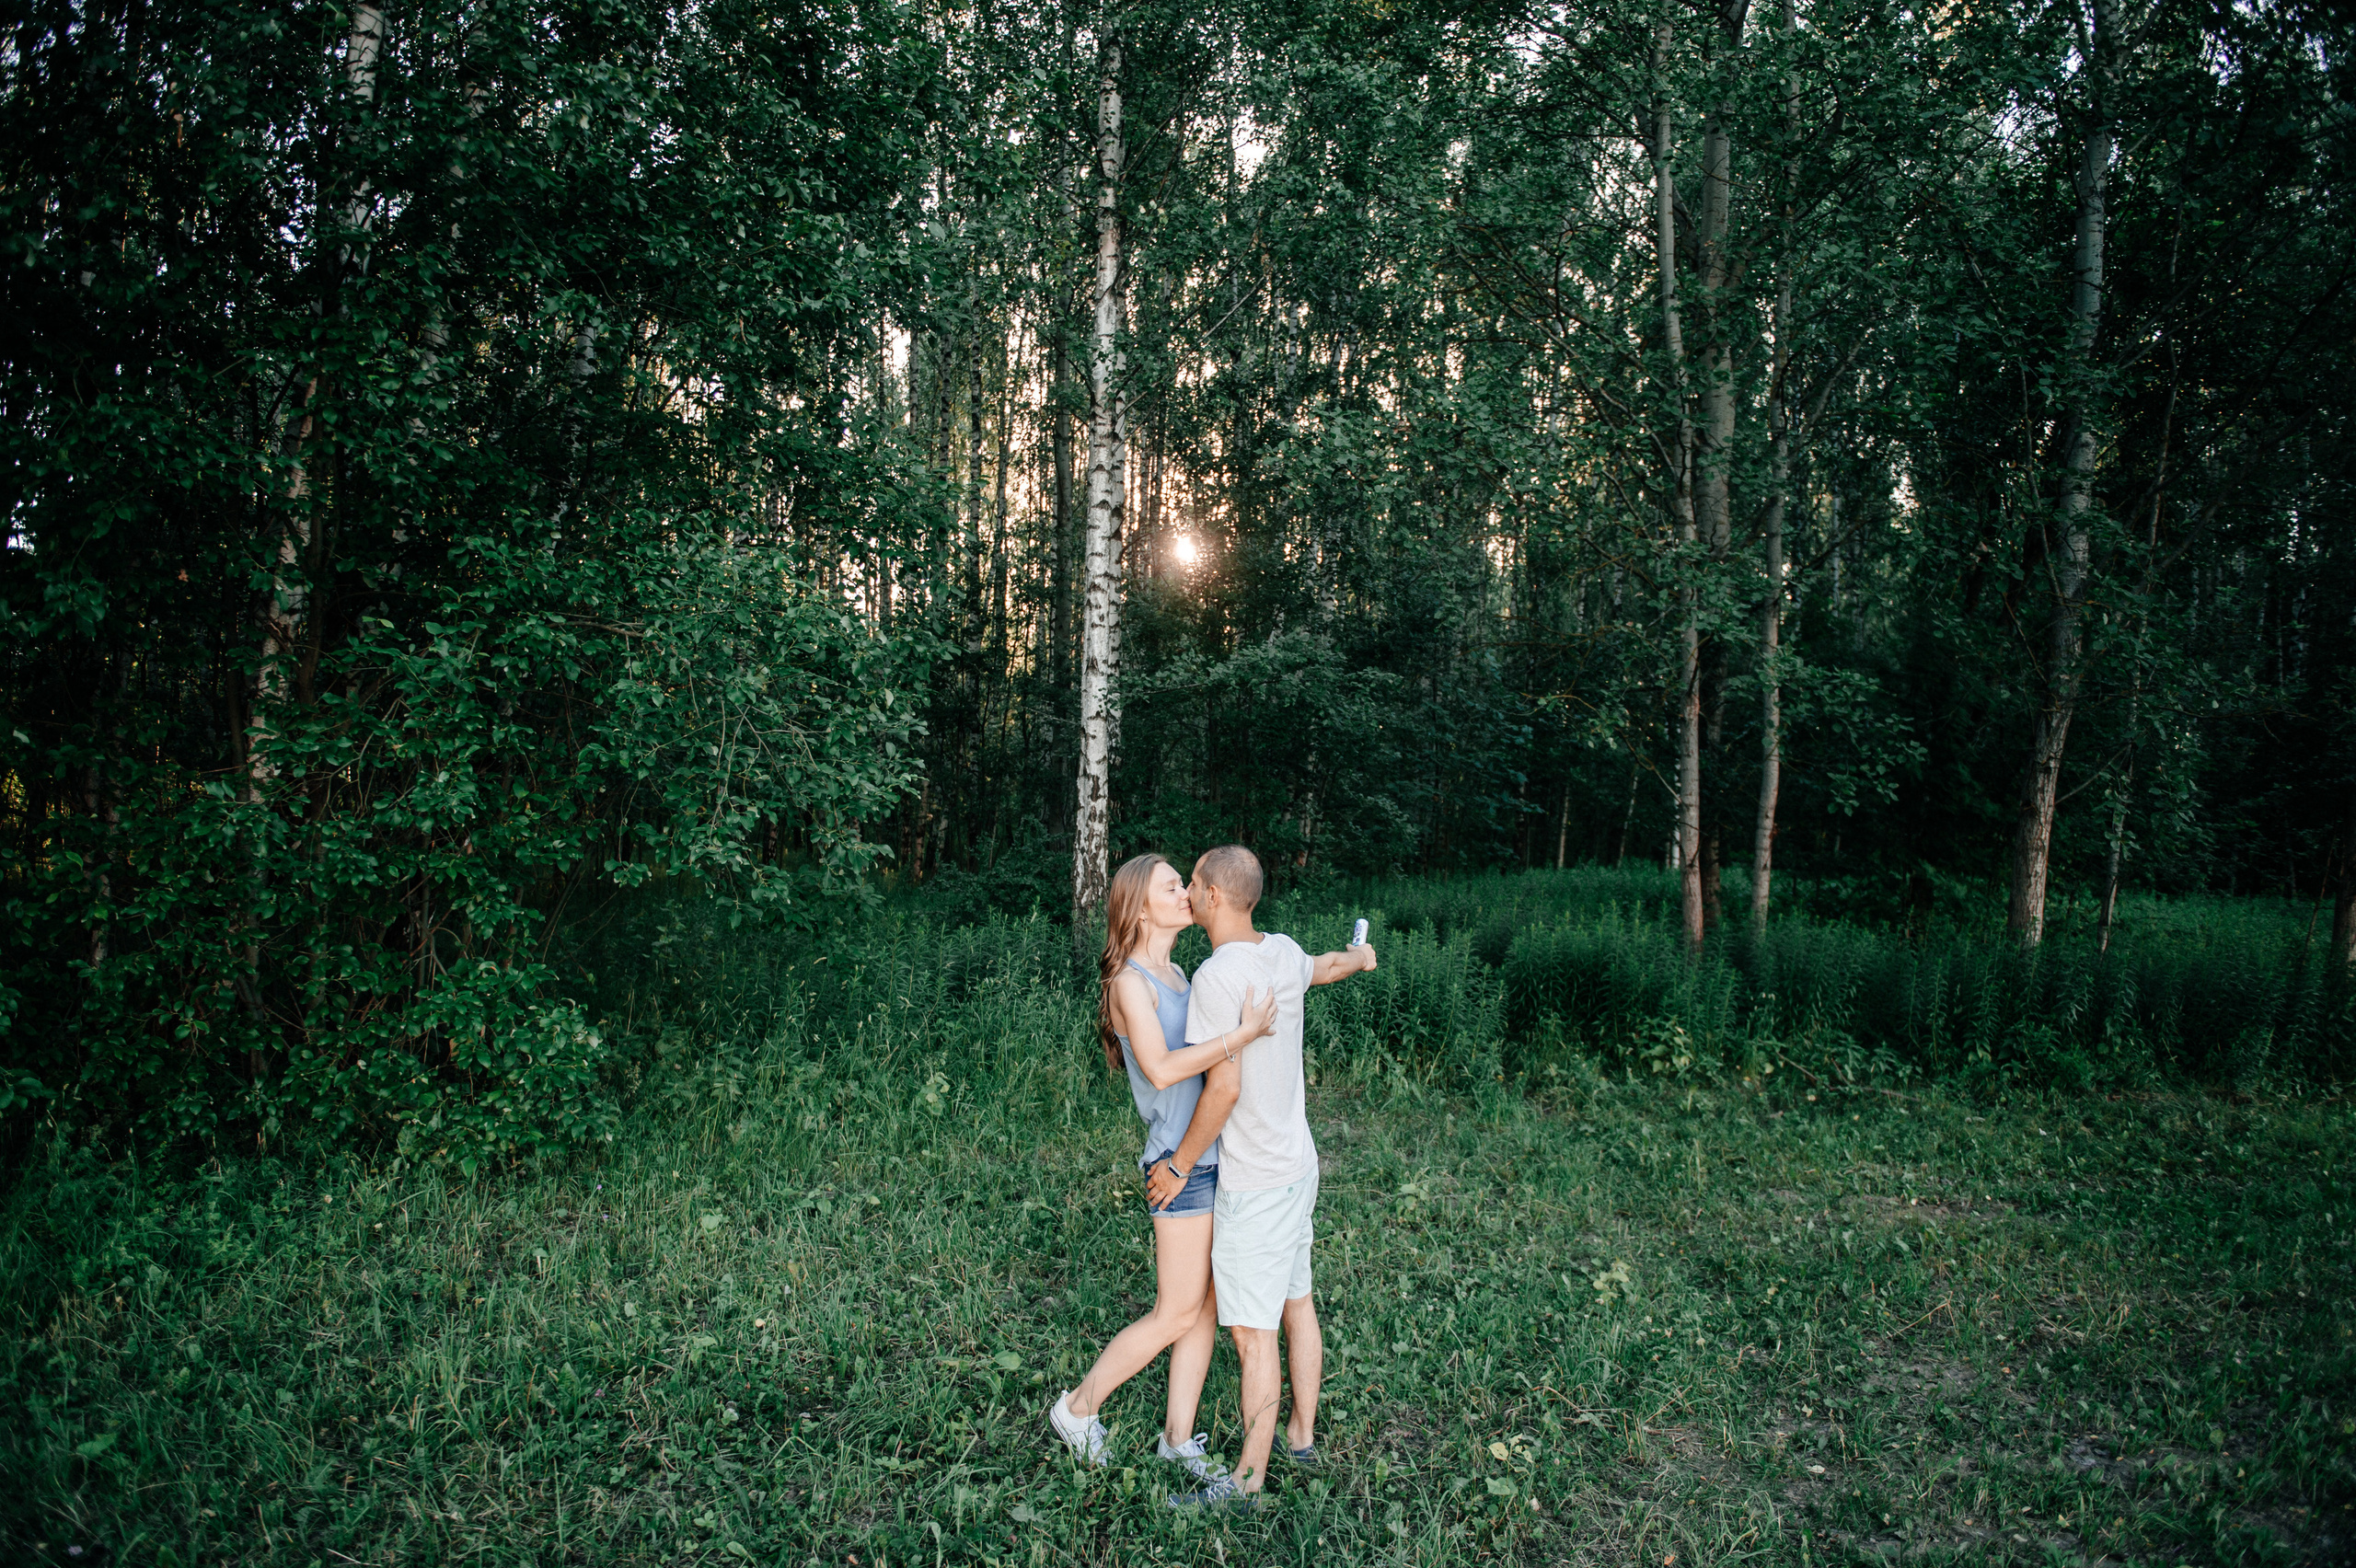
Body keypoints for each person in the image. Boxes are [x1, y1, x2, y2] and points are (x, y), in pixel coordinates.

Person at [1046, 852, 1278, 1482]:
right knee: (1176, 1311)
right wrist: (1242, 1035)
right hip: (1174, 1165)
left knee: (1202, 1308)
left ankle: (1177, 1439)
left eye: (1185, 883)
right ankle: (1076, 1408)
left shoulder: (1178, 971)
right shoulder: (1130, 981)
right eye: (1171, 886)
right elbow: (1162, 1068)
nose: (1186, 893)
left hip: (1209, 1156)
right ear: (1139, 906)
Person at [1168, 843, 1376, 1512]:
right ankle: (1302, 1437)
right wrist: (1363, 956)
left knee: (1253, 1336)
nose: (1189, 893)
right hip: (1298, 1165)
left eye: (1194, 883)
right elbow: (1326, 967)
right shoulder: (1281, 950)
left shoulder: (1215, 977)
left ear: (1216, 896)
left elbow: (1221, 1090)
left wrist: (1177, 1165)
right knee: (1298, 1303)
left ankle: (1247, 1484)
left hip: (1255, 1178)